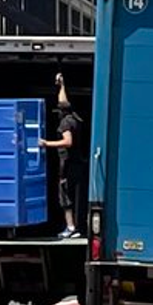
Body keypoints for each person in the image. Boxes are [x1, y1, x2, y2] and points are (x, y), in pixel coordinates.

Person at [44, 73, 89, 235]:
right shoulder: (75, 119)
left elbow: (67, 141)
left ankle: (70, 227)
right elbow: (64, 101)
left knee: (65, 196)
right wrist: (62, 85)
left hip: (68, 164)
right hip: (77, 163)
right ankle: (77, 227)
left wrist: (46, 143)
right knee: (76, 195)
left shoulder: (64, 123)